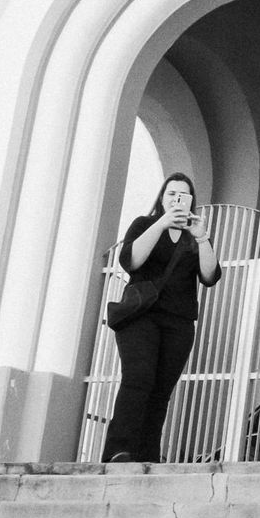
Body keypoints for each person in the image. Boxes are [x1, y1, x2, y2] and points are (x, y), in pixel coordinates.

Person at [101, 173, 220, 463]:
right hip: (141, 317)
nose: (177, 199)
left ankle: (147, 456)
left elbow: (210, 276)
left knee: (160, 391)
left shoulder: (194, 237)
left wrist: (202, 237)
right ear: (162, 198)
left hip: (178, 323)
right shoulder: (145, 224)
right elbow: (131, 260)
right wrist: (162, 222)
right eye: (171, 194)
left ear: (192, 201)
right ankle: (119, 450)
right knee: (138, 379)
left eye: (183, 195)